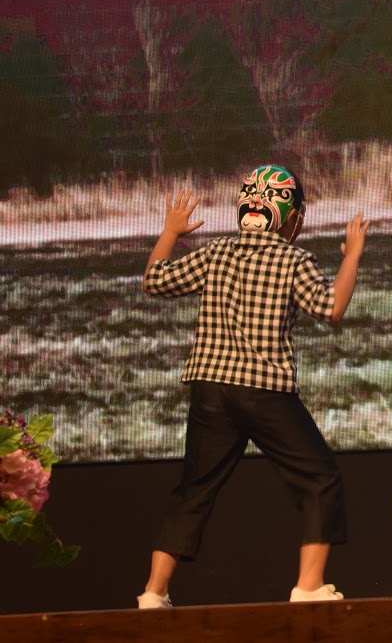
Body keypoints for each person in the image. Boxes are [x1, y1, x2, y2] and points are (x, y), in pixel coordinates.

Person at [136, 165, 370, 608]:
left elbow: (154, 280)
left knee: (194, 487)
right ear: (292, 219)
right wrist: (352, 255)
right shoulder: (293, 260)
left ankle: (154, 591)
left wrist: (170, 232)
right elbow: (332, 308)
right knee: (320, 477)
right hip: (263, 389)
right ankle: (309, 587)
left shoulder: (216, 253)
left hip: (210, 388)